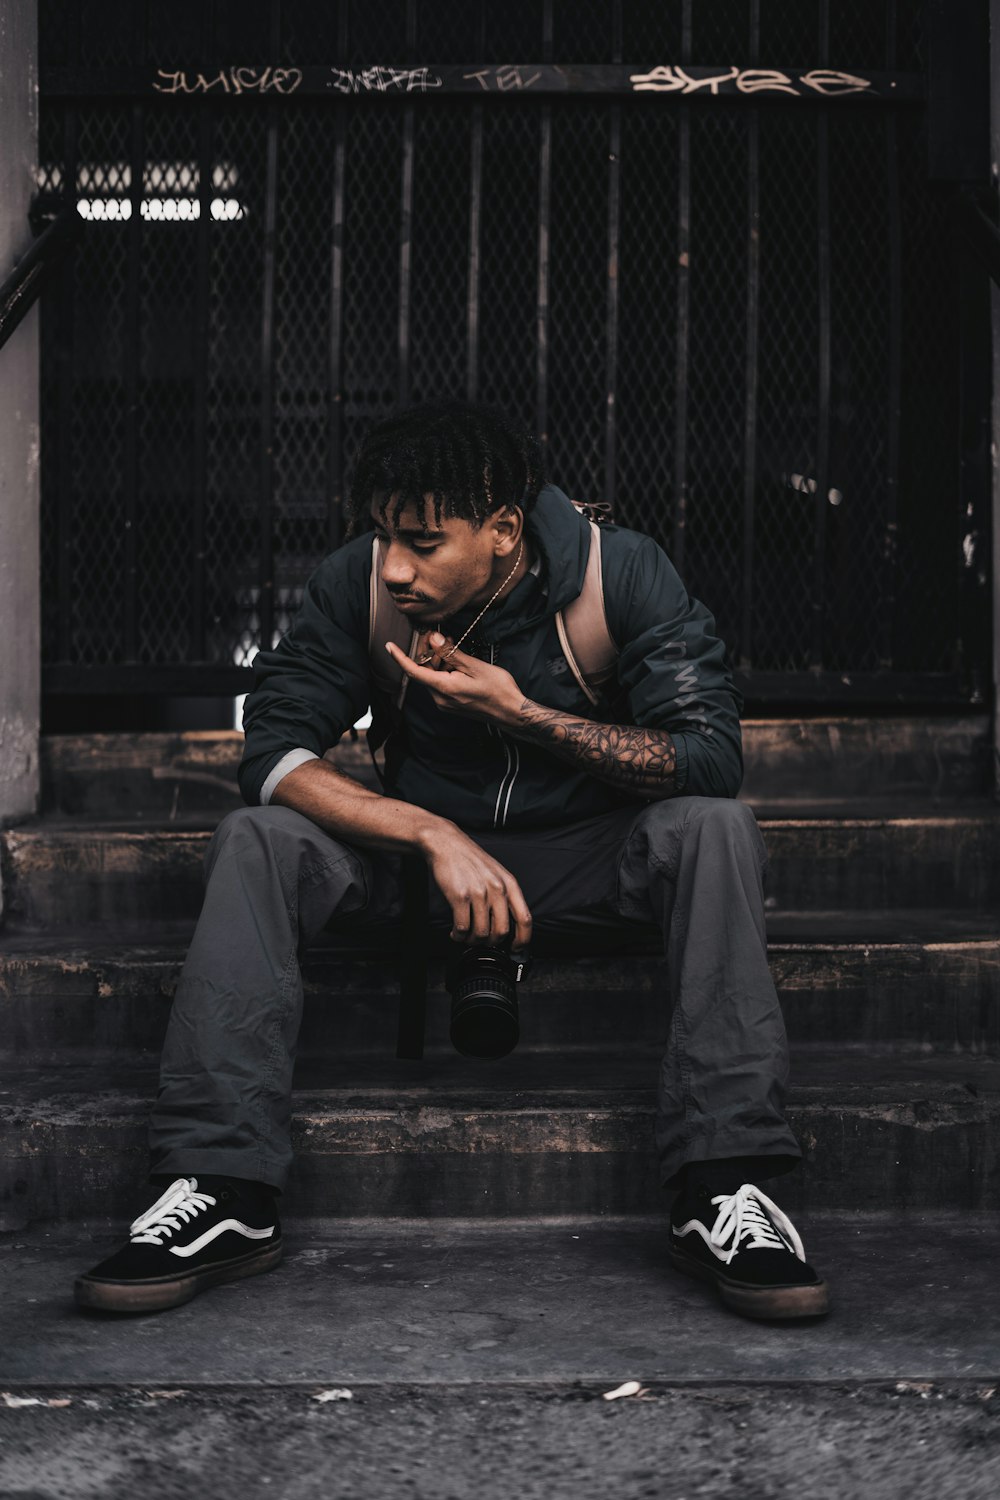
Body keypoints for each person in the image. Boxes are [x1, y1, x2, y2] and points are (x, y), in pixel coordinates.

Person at [75, 400, 828, 1321]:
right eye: (385, 535)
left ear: (504, 530)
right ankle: (224, 1187)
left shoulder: (617, 573)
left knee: (714, 828)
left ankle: (725, 1182)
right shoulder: (359, 586)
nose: (395, 567)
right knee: (257, 836)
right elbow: (270, 750)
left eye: (424, 542)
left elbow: (709, 757)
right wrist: (430, 834)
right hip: (418, 868)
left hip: (584, 861)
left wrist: (523, 715)